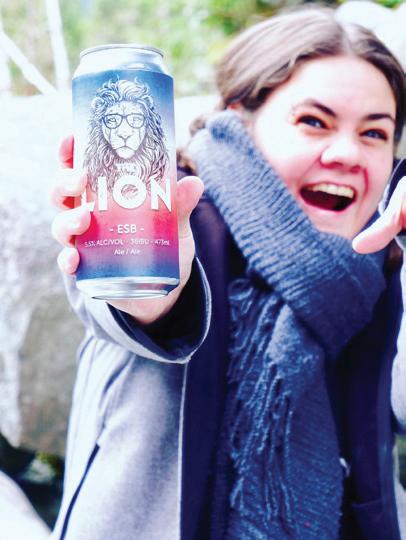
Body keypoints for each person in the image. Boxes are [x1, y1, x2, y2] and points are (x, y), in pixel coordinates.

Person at [50, 6, 406, 540]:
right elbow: (133, 309)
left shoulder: (383, 267)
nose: (346, 153)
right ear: (242, 118)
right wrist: (154, 290)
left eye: (375, 133)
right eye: (314, 122)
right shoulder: (170, 215)